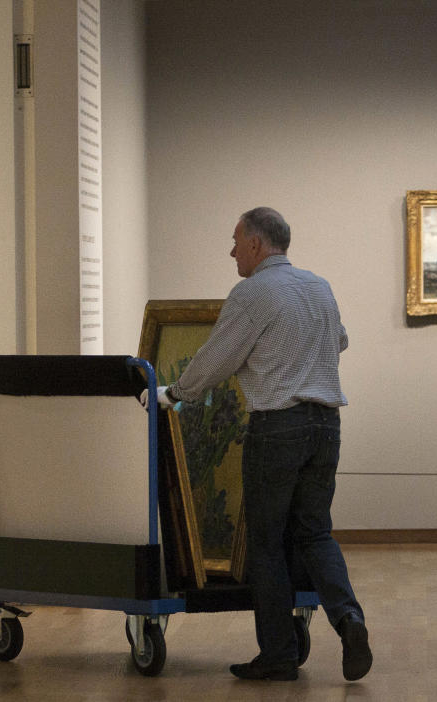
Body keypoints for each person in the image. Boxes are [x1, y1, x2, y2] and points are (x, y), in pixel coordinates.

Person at [152, 207, 372, 682]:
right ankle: (349, 619)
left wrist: (174, 393)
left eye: (235, 241)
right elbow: (341, 341)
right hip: (326, 425)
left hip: (277, 427)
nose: (231, 251)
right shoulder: (319, 286)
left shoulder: (252, 292)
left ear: (256, 243)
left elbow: (217, 359)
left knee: (266, 545)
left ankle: (277, 655)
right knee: (315, 533)